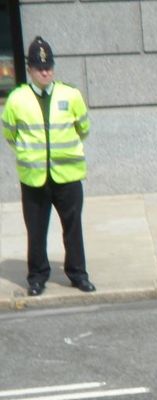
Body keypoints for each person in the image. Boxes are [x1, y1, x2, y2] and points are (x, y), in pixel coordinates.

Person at [1, 36, 95, 296]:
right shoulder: (17, 99)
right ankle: (37, 277)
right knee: (36, 230)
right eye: (39, 67)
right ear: (30, 69)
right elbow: (9, 133)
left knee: (73, 227)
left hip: (67, 175)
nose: (45, 71)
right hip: (34, 177)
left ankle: (78, 274)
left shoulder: (71, 94)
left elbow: (83, 128)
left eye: (49, 66)